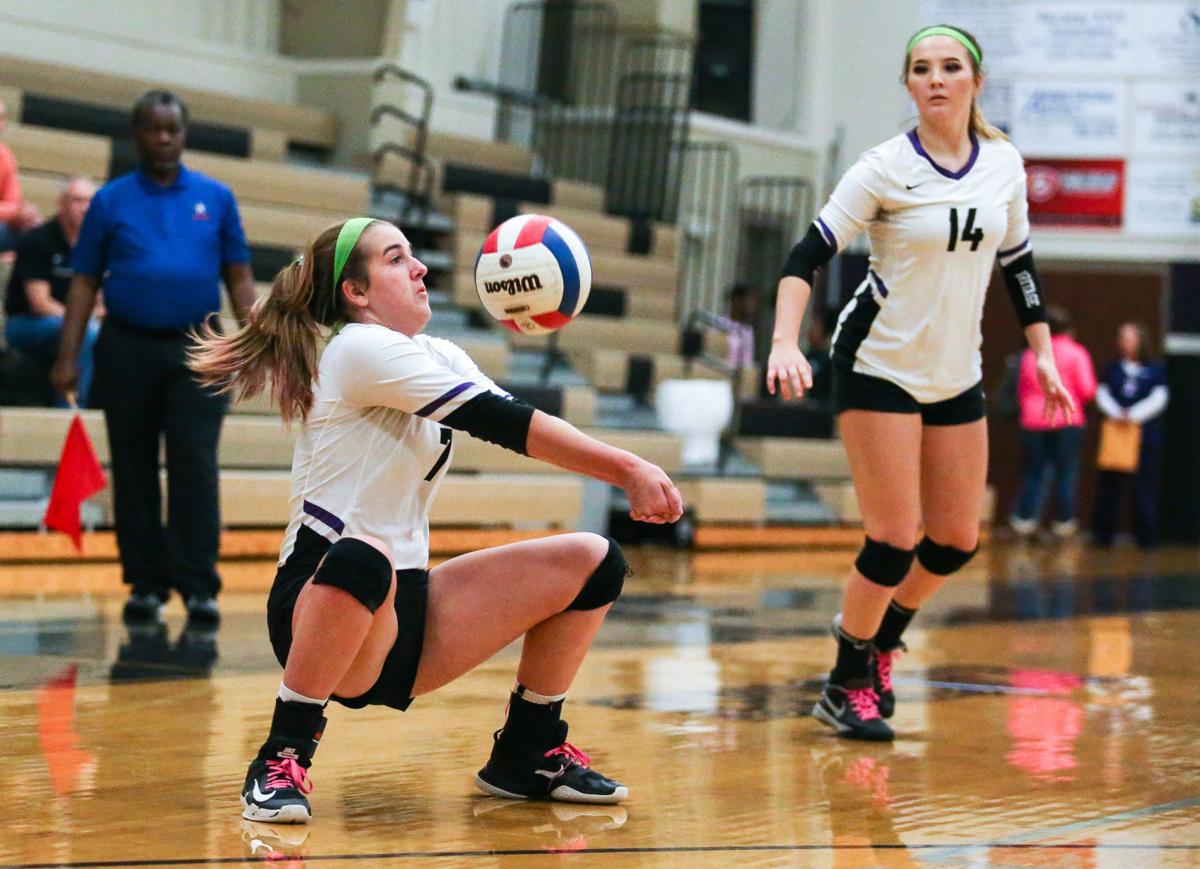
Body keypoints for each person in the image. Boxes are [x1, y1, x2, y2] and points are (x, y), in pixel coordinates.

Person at [186, 217, 683, 822]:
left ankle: (528, 749)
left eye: (414, 255)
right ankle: (280, 756)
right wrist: (627, 468)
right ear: (357, 293)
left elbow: (514, 411)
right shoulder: (357, 348)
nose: (421, 269)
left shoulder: (439, 353)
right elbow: (502, 425)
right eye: (396, 259)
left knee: (595, 561)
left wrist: (624, 466)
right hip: (322, 600)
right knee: (363, 555)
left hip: (405, 610)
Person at [766, 24, 1075, 740]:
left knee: (958, 538)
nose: (936, 79)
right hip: (879, 362)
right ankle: (847, 678)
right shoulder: (882, 167)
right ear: (909, 85)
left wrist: (1045, 355)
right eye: (921, 69)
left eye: (950, 67)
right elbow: (802, 255)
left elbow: (1019, 265)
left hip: (954, 369)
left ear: (975, 81)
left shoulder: (1003, 163)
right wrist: (785, 340)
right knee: (893, 538)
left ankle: (882, 636)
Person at [50, 90, 257, 628]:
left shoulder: (217, 197)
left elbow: (237, 275)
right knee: (135, 467)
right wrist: (68, 354)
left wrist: (255, 342)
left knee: (195, 465)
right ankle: (144, 583)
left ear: (184, 136)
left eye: (173, 129)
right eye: (153, 128)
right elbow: (84, 282)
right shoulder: (110, 201)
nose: (164, 138)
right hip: (126, 347)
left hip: (199, 348)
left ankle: (198, 585)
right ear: (135, 134)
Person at [4, 177, 101, 407]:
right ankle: (71, 410)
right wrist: (83, 320)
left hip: (73, 321)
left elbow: (101, 297)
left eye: (90, 201)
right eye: (77, 200)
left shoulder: (96, 244)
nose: (85, 207)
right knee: (85, 333)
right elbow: (40, 303)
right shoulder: (39, 240)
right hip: (26, 324)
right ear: (61, 203)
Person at [1009, 306, 1096, 540]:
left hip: (1033, 421)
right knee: (1065, 473)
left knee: (1034, 472)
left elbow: (1021, 389)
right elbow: (1087, 390)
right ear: (1069, 330)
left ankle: (1025, 522)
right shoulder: (1077, 353)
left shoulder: (1031, 354)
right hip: (1067, 419)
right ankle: (1063, 524)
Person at [1092, 322, 1168, 549]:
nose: (1124, 342)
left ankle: (1145, 537)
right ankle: (1103, 535)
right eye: (1121, 337)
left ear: (1141, 341)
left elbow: (1159, 398)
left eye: (1129, 338)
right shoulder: (1112, 368)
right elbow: (1101, 393)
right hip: (1116, 436)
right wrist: (1116, 413)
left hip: (1144, 437)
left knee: (1143, 488)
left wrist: (1133, 415)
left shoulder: (1155, 369)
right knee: (1110, 488)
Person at [0, 98, 43, 252]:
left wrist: (23, 216)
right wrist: (14, 214)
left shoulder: (5, 156)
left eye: (2, 118)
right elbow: (13, 209)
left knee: (37, 232)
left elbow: (14, 202)